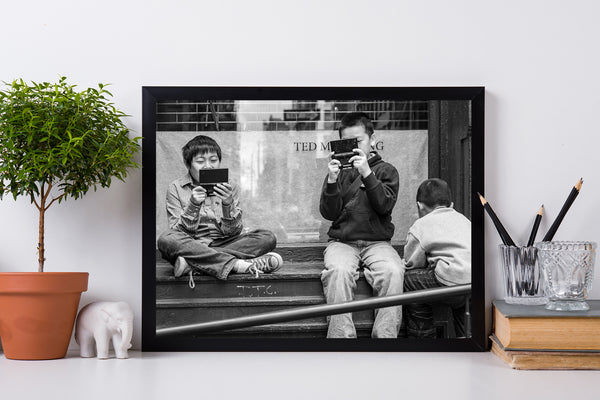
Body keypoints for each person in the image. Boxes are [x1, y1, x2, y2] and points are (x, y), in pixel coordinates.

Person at [319, 112, 405, 338]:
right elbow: (328, 213)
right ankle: (341, 339)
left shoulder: (386, 170)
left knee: (393, 271)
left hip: (378, 243)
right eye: (348, 143)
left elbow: (384, 206)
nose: (355, 147)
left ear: (372, 139)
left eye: (359, 141)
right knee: (337, 271)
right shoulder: (337, 173)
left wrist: (367, 173)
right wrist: (330, 181)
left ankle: (385, 339)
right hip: (342, 242)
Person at [157, 135, 283, 287]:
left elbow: (234, 232)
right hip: (191, 244)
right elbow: (177, 234)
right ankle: (238, 265)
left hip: (223, 243)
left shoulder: (230, 186)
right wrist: (193, 205)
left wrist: (227, 203)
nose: (208, 166)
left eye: (213, 160)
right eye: (200, 161)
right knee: (166, 239)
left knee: (267, 237)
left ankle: (192, 264)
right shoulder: (175, 188)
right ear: (188, 164)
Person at [402, 178, 471, 338]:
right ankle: (466, 339)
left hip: (449, 279)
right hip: (473, 280)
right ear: (451, 205)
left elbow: (412, 264)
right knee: (465, 306)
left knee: (409, 281)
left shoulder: (421, 225)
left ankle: (423, 336)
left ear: (420, 206)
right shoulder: (464, 220)